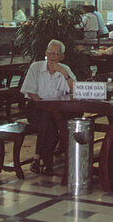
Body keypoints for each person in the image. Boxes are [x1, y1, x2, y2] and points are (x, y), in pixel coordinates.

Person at [21, 40, 76, 175]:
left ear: (62, 56)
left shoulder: (65, 69)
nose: (52, 56)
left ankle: (39, 158)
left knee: (50, 121)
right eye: (49, 53)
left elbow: (75, 90)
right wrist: (42, 104)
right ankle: (45, 161)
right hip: (36, 106)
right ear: (45, 53)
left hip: (56, 109)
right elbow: (30, 91)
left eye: (56, 54)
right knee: (48, 118)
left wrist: (64, 73)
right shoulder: (36, 67)